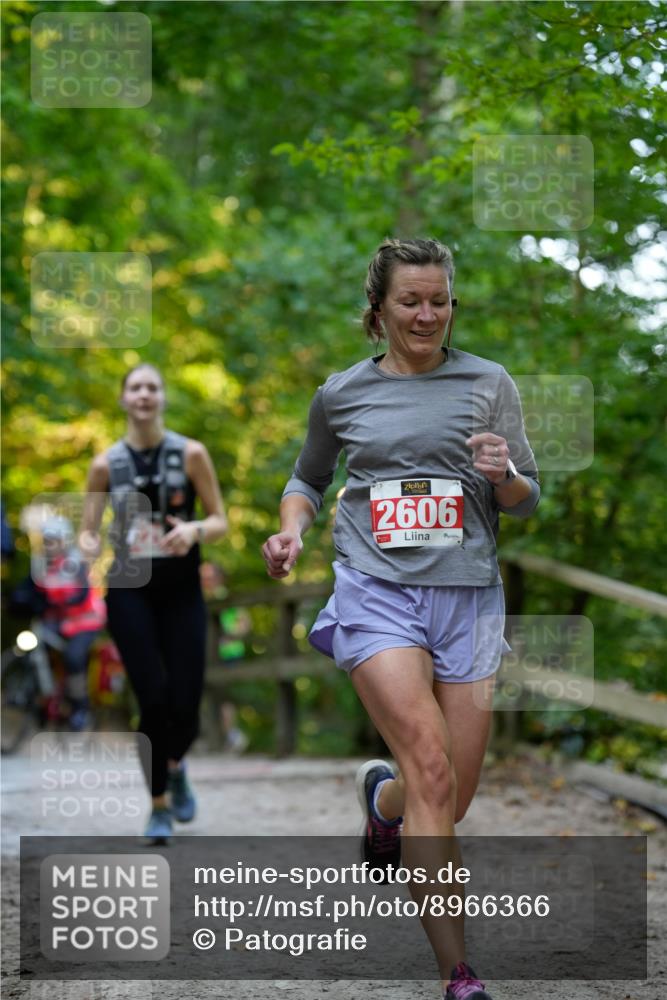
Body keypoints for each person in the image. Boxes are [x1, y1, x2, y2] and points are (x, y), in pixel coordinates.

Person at [261, 239, 539, 1000]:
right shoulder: (341, 392)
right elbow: (307, 478)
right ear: (377, 310)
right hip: (375, 590)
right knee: (432, 768)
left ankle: (383, 806)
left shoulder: (488, 383)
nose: (427, 314)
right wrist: (291, 529)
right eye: (410, 301)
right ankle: (458, 971)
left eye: (439, 300)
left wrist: (503, 475)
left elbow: (528, 497)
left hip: (468, 596)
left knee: (451, 792)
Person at [83, 363, 227, 844]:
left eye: (152, 387)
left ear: (162, 397)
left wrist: (194, 529)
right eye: (135, 387)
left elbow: (220, 521)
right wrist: (82, 550)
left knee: (184, 702)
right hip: (128, 591)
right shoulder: (105, 465)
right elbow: (88, 529)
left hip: (181, 589)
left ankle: (174, 762)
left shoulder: (191, 454)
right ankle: (159, 806)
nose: (144, 395)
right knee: (152, 697)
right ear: (124, 399)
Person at [11, 515, 106, 731]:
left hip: (86, 621)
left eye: (52, 540)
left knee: (73, 657)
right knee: (34, 647)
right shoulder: (42, 566)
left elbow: (81, 594)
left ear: (64, 541)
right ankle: (37, 698)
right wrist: (17, 599)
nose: (48, 546)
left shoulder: (75, 563)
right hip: (59, 622)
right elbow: (27, 589)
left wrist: (58, 603)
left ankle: (80, 707)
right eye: (46, 541)